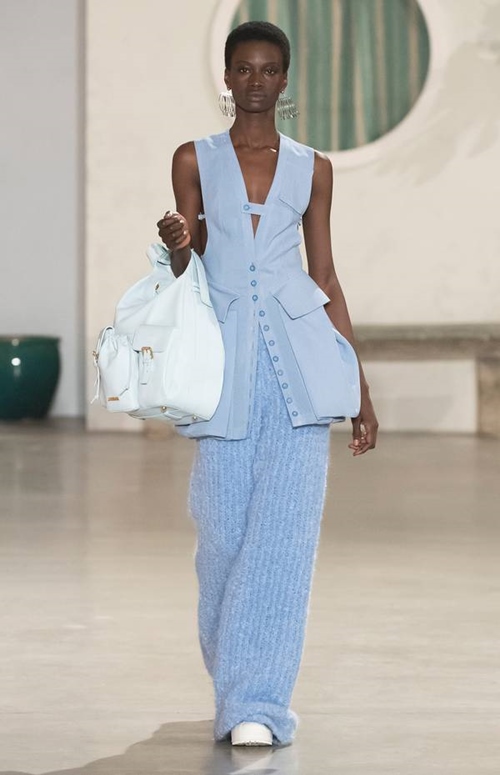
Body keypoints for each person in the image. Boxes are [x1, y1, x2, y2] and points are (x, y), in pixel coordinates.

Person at [157, 21, 378, 747]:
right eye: (244, 69)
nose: (257, 80)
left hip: (301, 368)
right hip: (223, 366)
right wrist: (178, 244)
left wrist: (359, 388)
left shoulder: (314, 168)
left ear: (285, 80)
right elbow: (189, 266)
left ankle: (257, 703)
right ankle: (238, 685)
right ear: (227, 77)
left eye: (270, 69)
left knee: (283, 540)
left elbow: (326, 275)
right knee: (222, 541)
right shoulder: (194, 158)